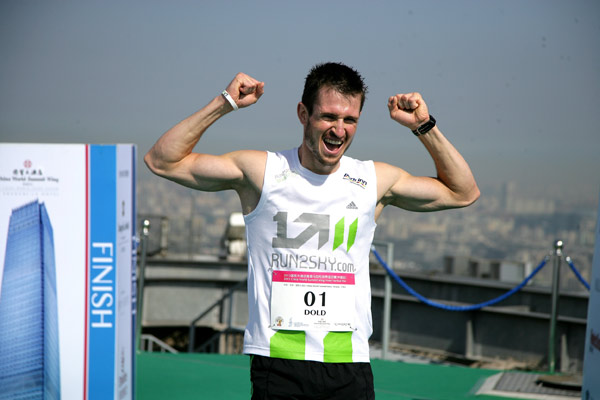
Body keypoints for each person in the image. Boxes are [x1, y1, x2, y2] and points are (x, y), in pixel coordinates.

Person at [145, 62, 479, 399]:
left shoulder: (372, 181)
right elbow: (162, 160)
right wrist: (224, 102)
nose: (339, 129)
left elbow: (463, 192)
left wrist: (424, 125)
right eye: (329, 117)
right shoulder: (263, 172)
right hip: (279, 362)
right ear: (303, 114)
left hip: (348, 363)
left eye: (350, 120)